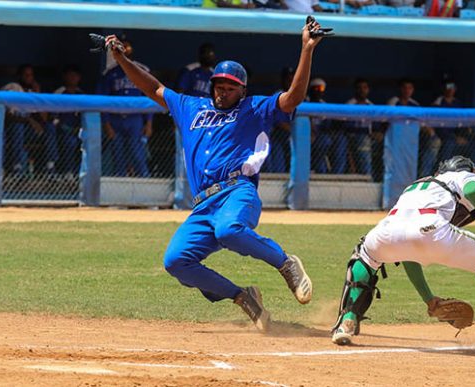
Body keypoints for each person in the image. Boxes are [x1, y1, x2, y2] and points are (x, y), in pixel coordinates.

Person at [103, 17, 325, 331]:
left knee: (229, 230)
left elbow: (292, 98)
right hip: (203, 205)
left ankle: (285, 262)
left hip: (237, 191)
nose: (223, 91)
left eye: (230, 87)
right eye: (219, 85)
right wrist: (122, 59)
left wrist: (306, 49)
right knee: (176, 261)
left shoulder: (253, 108)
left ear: (242, 89)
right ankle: (243, 297)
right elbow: (152, 86)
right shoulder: (191, 107)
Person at [331, 155, 475, 357]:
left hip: (386, 231)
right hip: (433, 229)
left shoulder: (416, 186)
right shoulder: (461, 175)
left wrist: (429, 299)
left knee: (365, 256)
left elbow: (409, 253)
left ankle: (346, 321)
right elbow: (474, 191)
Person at [99, 38, 152, 178]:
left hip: (135, 119)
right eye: (123, 47)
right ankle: (120, 182)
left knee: (137, 152)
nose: (126, 50)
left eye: (128, 47)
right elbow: (102, 101)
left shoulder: (142, 70)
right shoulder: (110, 73)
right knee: (118, 154)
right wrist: (106, 124)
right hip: (115, 119)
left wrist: (149, 123)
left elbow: (150, 96)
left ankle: (144, 181)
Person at [1, 64, 58, 176]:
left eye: (31, 75)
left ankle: (50, 166)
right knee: (18, 128)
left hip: (32, 131)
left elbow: (44, 119)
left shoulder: (34, 91)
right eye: (26, 75)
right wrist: (28, 120)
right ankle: (17, 166)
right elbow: (7, 115)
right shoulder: (13, 88)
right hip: (14, 130)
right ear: (20, 76)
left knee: (50, 127)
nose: (29, 77)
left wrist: (37, 95)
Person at [309, 78, 347, 174]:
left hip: (321, 135)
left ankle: (338, 174)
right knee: (325, 141)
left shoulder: (325, 105)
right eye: (315, 88)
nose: (318, 91)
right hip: (306, 136)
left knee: (340, 139)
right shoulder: (304, 102)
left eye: (321, 89)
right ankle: (320, 170)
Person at [53, 65, 84, 178]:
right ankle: (67, 172)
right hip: (61, 130)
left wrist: (78, 128)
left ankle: (79, 173)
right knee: (69, 142)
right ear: (65, 77)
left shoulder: (81, 93)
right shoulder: (60, 92)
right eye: (70, 75)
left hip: (77, 130)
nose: (73, 78)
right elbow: (53, 116)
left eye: (75, 76)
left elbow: (83, 115)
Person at [263, 66, 295, 173]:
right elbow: (279, 122)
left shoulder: (301, 96)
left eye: (292, 79)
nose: (290, 82)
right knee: (275, 144)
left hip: (297, 134)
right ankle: (278, 173)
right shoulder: (277, 96)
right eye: (288, 79)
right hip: (280, 134)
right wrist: (295, 131)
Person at [344, 78, 373, 175]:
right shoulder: (350, 104)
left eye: (364, 88)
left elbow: (377, 126)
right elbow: (345, 125)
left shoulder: (371, 106)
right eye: (359, 88)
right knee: (363, 140)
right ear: (355, 90)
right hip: (352, 137)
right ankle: (367, 175)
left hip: (369, 137)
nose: (362, 90)